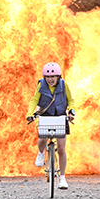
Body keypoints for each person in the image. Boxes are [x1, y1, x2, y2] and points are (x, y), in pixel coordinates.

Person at [26, 62, 75, 190]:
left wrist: (71, 111)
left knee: (61, 148)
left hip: (60, 116)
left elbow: (70, 100)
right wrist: (30, 113)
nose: (50, 79)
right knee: (42, 139)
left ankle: (62, 178)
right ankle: (41, 153)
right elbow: (34, 100)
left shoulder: (64, 85)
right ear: (44, 77)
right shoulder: (41, 85)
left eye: (53, 76)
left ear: (59, 76)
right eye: (48, 77)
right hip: (46, 115)